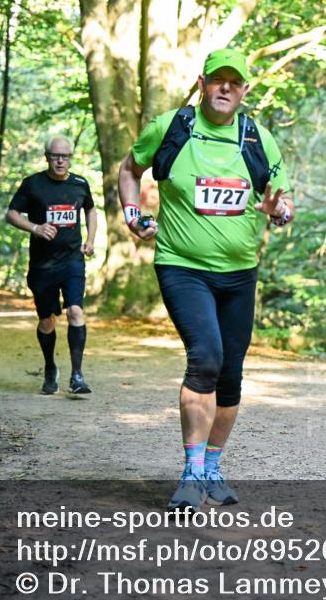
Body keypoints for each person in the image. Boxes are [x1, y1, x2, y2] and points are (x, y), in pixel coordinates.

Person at [117, 48, 294, 510]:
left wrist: (281, 212)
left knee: (231, 375)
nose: (226, 89)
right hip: (182, 266)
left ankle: (213, 467)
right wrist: (132, 212)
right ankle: (192, 472)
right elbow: (129, 170)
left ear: (245, 91)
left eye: (235, 83)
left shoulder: (257, 139)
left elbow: (283, 199)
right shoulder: (172, 128)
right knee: (207, 357)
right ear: (202, 83)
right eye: (219, 80)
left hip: (240, 275)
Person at [6, 136, 97, 395]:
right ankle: (50, 367)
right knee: (47, 321)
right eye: (55, 156)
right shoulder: (33, 184)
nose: (60, 160)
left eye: (65, 156)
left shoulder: (80, 184)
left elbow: (90, 210)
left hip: (72, 261)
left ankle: (77, 375)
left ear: (70, 158)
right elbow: (11, 213)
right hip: (43, 266)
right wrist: (35, 227)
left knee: (75, 312)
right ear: (47, 157)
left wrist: (90, 240)